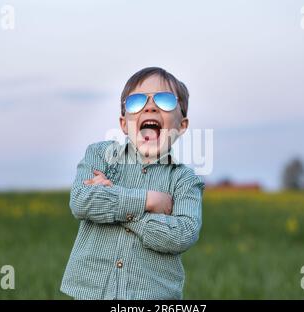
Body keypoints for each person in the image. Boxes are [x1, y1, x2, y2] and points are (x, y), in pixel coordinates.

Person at [60, 67, 205, 299]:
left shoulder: (185, 180)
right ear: (124, 123)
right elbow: (81, 201)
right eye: (136, 101)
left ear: (182, 125)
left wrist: (116, 199)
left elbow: (182, 234)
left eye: (165, 100)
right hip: (92, 292)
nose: (150, 107)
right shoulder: (100, 155)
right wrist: (149, 200)